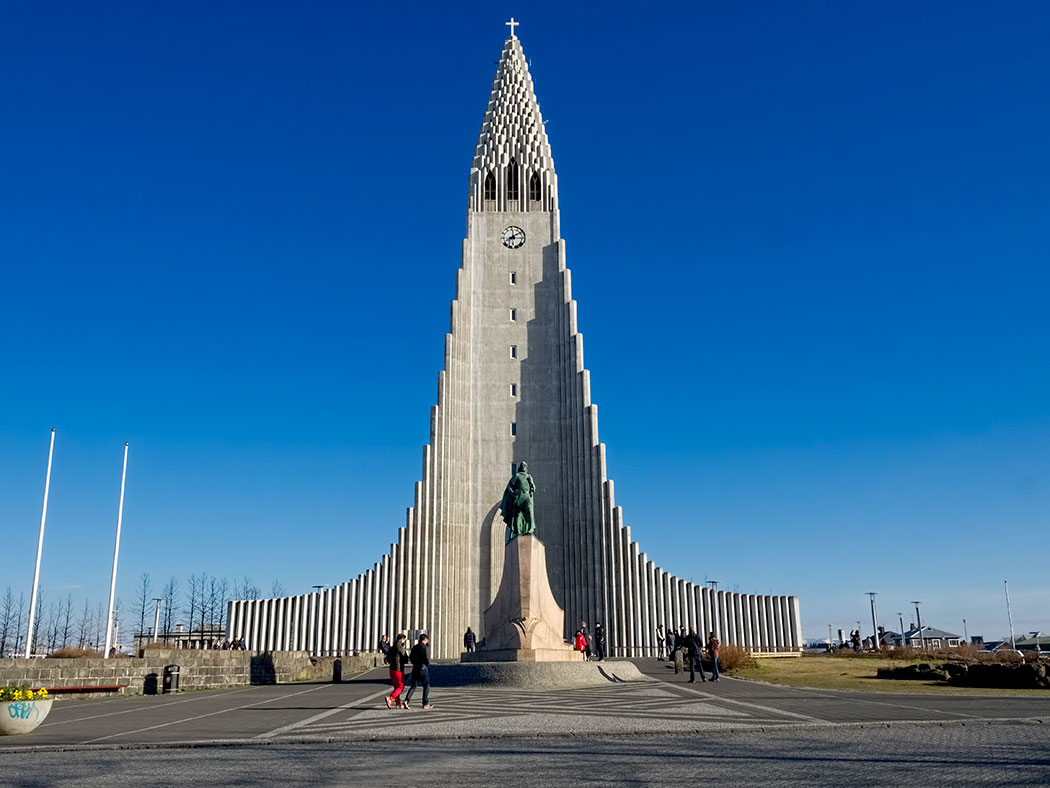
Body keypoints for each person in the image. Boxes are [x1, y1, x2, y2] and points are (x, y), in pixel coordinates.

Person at [500, 461, 536, 539]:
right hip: (519, 496)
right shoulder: (517, 476)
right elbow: (509, 487)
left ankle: (530, 529)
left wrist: (531, 482)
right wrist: (513, 494)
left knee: (529, 512)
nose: (523, 466)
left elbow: (533, 489)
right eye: (522, 465)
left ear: (526, 468)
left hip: (527, 496)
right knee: (517, 515)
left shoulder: (529, 477)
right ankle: (518, 531)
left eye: (525, 465)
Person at [403, 633, 433, 709]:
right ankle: (425, 703)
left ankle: (406, 700)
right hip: (423, 669)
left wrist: (415, 664)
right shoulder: (425, 648)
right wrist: (426, 665)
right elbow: (427, 659)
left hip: (415, 668)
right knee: (426, 686)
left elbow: (411, 657)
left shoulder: (414, 648)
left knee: (413, 686)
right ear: (425, 639)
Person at [385, 633, 409, 708]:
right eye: (404, 640)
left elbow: (387, 658)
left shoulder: (392, 647)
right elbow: (405, 659)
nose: (404, 641)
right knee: (401, 686)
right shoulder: (400, 647)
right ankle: (390, 698)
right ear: (402, 639)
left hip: (391, 669)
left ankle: (398, 703)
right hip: (398, 669)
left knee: (396, 687)